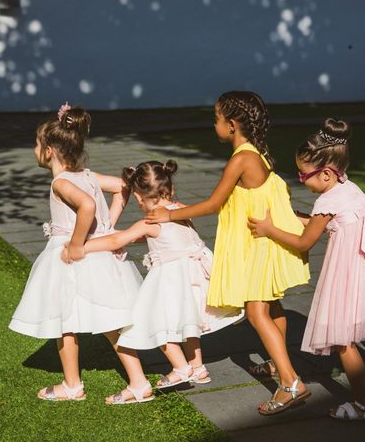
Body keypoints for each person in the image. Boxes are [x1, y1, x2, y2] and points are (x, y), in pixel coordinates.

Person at [146, 91, 310, 415]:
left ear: (232, 125)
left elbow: (213, 203)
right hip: (258, 242)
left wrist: (168, 214)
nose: (215, 125)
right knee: (273, 308)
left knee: (255, 312)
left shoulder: (242, 158)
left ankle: (291, 383)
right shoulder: (257, 153)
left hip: (256, 245)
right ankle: (278, 366)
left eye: (216, 119)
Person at [248, 118, 365, 420]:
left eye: (304, 176)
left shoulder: (327, 200)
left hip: (348, 274)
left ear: (326, 173)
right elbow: (320, 221)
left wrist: (269, 229)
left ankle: (364, 405)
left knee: (344, 340)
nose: (302, 180)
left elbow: (305, 241)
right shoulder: (348, 188)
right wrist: (288, 216)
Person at [9, 103, 151, 403]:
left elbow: (86, 206)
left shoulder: (61, 182)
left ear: (49, 150)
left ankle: (74, 385)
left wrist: (75, 244)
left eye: (36, 144)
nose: (34, 150)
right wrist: (108, 223)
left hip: (75, 256)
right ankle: (135, 382)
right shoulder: (87, 175)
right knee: (109, 321)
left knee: (66, 320)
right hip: (98, 255)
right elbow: (123, 187)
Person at [66, 160, 242, 395]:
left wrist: (82, 245)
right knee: (188, 321)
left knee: (153, 320)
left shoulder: (148, 221)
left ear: (139, 197)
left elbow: (117, 241)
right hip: (194, 276)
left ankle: (180, 368)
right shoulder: (180, 209)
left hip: (170, 280)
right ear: (170, 189)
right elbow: (149, 237)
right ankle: (197, 367)